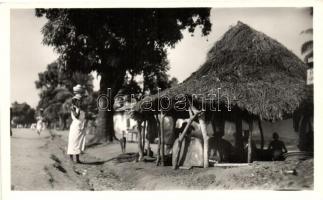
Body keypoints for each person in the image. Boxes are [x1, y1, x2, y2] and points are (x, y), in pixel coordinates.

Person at [67, 93, 87, 163]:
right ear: (75, 101)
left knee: (79, 143)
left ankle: (77, 159)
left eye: (80, 100)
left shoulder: (80, 108)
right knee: (73, 142)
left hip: (81, 126)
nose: (79, 101)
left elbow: (83, 117)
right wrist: (79, 108)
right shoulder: (73, 108)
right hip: (75, 127)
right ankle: (71, 158)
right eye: (78, 100)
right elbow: (76, 116)